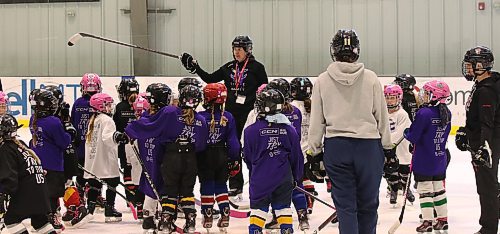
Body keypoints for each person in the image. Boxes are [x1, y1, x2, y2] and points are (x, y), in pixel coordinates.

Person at [307, 29, 394, 234]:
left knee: (346, 206)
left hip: (337, 147)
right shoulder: (371, 78)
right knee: (368, 204)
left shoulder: (322, 80)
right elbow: (381, 116)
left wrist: (314, 152)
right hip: (368, 147)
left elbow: (317, 121)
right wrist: (388, 150)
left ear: (334, 51)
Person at [181, 36, 268, 199]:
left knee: (250, 150)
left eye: (240, 49)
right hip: (230, 115)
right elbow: (210, 78)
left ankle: (258, 184)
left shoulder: (257, 68)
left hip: (250, 115)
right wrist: (195, 67)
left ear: (248, 50)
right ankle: (236, 186)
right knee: (232, 150)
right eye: (234, 49)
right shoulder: (229, 67)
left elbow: (264, 90)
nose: (237, 52)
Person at [126, 85, 208, 233]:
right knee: (187, 192)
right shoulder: (201, 120)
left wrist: (129, 130)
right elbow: (201, 146)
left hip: (171, 157)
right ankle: (190, 222)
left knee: (170, 191)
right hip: (190, 159)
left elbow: (152, 126)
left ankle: (165, 222)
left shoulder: (170, 112)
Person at [243, 89, 303, 234]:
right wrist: (296, 177)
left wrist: (255, 173)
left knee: (258, 210)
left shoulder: (250, 131)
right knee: (283, 208)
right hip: (284, 177)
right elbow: (297, 156)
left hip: (261, 177)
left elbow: (248, 157)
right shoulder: (289, 129)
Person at [456, 46, 500, 234]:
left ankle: (488, 228)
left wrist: (484, 146)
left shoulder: (487, 90)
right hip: (483, 142)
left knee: (486, 187)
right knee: (490, 184)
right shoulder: (484, 84)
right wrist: (466, 131)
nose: (468, 69)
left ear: (481, 65)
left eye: (471, 65)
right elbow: (478, 117)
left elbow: (487, 123)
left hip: (487, 145)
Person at [404, 80, 451, 233]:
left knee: (425, 191)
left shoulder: (424, 113)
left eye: (427, 93)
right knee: (439, 189)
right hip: (439, 158)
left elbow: (414, 136)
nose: (423, 95)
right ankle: (442, 220)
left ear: (434, 96)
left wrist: (406, 133)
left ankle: (427, 222)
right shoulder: (447, 113)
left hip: (424, 159)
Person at [0, 114, 58, 234]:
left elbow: (9, 178)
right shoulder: (19, 143)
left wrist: (3, 194)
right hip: (41, 190)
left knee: (11, 220)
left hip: (28, 192)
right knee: (40, 221)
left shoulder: (5, 148)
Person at [198, 83, 240, 232]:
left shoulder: (201, 117)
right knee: (222, 185)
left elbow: (197, 141)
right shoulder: (228, 117)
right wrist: (235, 159)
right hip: (222, 155)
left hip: (205, 156)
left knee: (207, 184)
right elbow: (233, 141)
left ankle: (208, 214)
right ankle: (225, 212)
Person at [29, 89, 72, 232]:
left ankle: (42, 217)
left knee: (42, 192)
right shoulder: (53, 122)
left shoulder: (33, 120)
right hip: (53, 164)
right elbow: (63, 142)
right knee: (52, 195)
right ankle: (51, 217)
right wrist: (69, 130)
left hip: (38, 163)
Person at [84, 93, 128, 222]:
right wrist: (118, 136)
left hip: (94, 159)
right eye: (108, 104)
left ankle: (90, 209)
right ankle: (109, 210)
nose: (110, 107)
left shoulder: (93, 119)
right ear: (101, 106)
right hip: (105, 158)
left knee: (94, 182)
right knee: (112, 181)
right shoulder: (107, 120)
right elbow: (107, 137)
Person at [132, 84, 170, 234]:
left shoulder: (145, 116)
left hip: (149, 156)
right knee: (162, 185)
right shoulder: (166, 115)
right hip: (161, 157)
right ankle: (163, 216)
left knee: (150, 182)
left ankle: (148, 218)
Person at [71, 73, 105, 208]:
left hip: (81, 145)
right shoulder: (101, 102)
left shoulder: (78, 103)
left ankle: (81, 192)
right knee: (97, 171)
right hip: (95, 145)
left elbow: (73, 122)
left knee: (82, 171)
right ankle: (95, 195)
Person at [113, 77, 145, 218]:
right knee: (140, 170)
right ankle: (140, 197)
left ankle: (131, 197)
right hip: (140, 144)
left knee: (128, 169)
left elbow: (115, 126)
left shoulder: (120, 107)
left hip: (124, 144)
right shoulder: (142, 103)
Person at [383, 84, 414, 205]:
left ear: (399, 98)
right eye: (387, 97)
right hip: (387, 147)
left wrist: (387, 142)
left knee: (404, 170)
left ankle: (407, 189)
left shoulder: (402, 114)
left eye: (392, 98)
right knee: (390, 172)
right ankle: (393, 190)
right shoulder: (382, 113)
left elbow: (401, 131)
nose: (389, 100)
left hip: (401, 147)